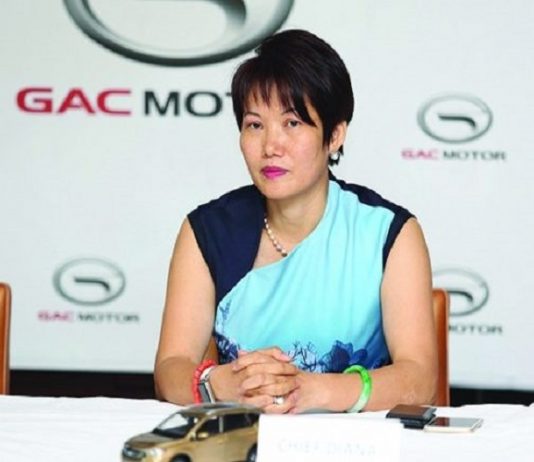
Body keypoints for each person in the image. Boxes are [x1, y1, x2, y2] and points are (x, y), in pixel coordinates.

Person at [155, 29, 437, 414]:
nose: (271, 146)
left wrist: (314, 391)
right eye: (255, 125)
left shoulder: (390, 233)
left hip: (357, 441)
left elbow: (420, 379)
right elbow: (170, 370)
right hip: (245, 437)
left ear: (334, 135)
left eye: (292, 123)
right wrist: (219, 383)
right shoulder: (207, 232)